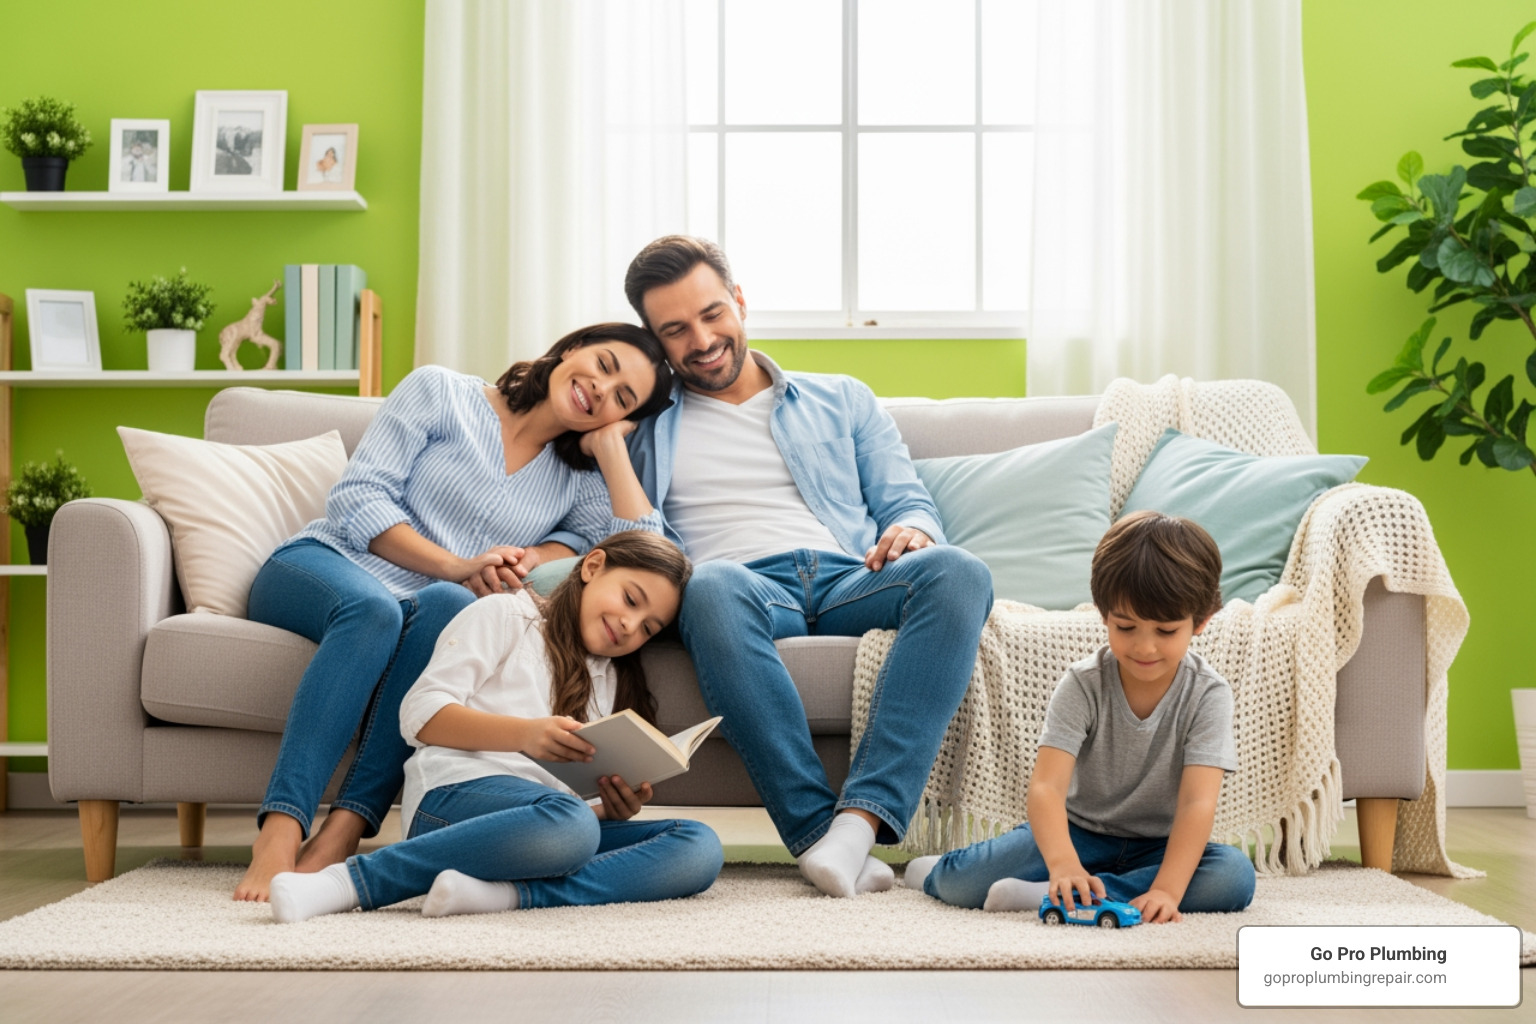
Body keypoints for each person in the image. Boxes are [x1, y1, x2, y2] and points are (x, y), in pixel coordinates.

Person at [234, 322, 675, 902]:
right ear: (572, 347)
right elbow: (357, 499)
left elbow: (652, 556)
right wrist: (456, 566)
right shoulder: (441, 392)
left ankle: (341, 834)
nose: (601, 388)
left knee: (443, 607)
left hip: (426, 605)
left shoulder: (578, 479)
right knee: (379, 609)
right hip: (328, 564)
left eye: (623, 398)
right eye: (604, 363)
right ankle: (278, 835)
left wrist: (611, 450)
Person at [621, 235, 994, 898]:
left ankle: (856, 825)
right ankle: (819, 834)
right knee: (708, 584)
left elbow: (905, 499)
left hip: (851, 575)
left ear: (738, 301)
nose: (701, 340)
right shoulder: (643, 428)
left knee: (961, 571)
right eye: (675, 330)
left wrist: (912, 530)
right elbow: (634, 537)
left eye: (712, 314)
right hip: (738, 585)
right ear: (655, 340)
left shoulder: (842, 398)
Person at [268, 531, 723, 923]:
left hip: (546, 827)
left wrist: (611, 806)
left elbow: (563, 804)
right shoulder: (506, 615)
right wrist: (525, 735)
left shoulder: (612, 680)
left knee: (698, 845)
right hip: (453, 803)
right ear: (593, 566)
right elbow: (419, 714)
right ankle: (350, 883)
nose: (629, 626)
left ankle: (504, 895)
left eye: (648, 627)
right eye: (629, 599)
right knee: (569, 827)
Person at [903, 511, 1257, 923]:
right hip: (1078, 835)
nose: (1145, 647)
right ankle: (945, 871)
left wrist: (1166, 890)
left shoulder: (1208, 693)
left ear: (1201, 622)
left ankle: (1061, 894)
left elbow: (1198, 802)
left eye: (1165, 631)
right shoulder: (1083, 683)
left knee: (1234, 877)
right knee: (959, 885)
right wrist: (1063, 864)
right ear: (1103, 614)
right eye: (1126, 627)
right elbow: (1046, 789)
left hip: (1161, 845)